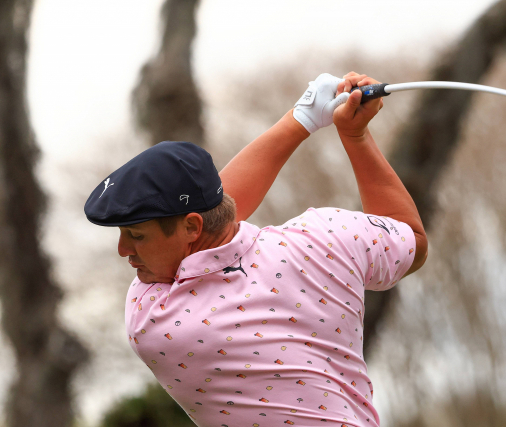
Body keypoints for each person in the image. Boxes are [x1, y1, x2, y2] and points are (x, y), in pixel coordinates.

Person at [85, 72, 428, 427]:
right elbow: (412, 240)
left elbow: (218, 218)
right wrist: (353, 134)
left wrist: (300, 120)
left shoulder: (155, 318)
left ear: (191, 227)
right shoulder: (326, 237)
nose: (124, 250)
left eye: (136, 235)